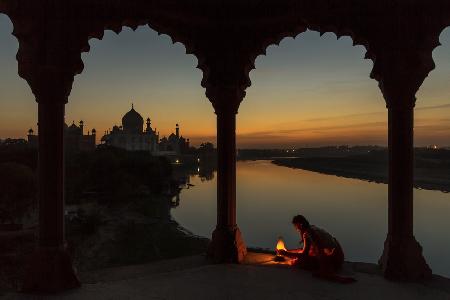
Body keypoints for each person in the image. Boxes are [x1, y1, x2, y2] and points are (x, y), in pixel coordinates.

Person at [277, 215, 354, 283]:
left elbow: (307, 253)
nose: (297, 230)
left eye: (297, 228)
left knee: (299, 262)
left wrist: (286, 253)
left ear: (300, 225)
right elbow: (307, 250)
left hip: (332, 262)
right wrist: (288, 251)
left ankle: (324, 270)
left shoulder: (308, 233)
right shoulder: (313, 228)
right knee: (301, 256)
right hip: (339, 259)